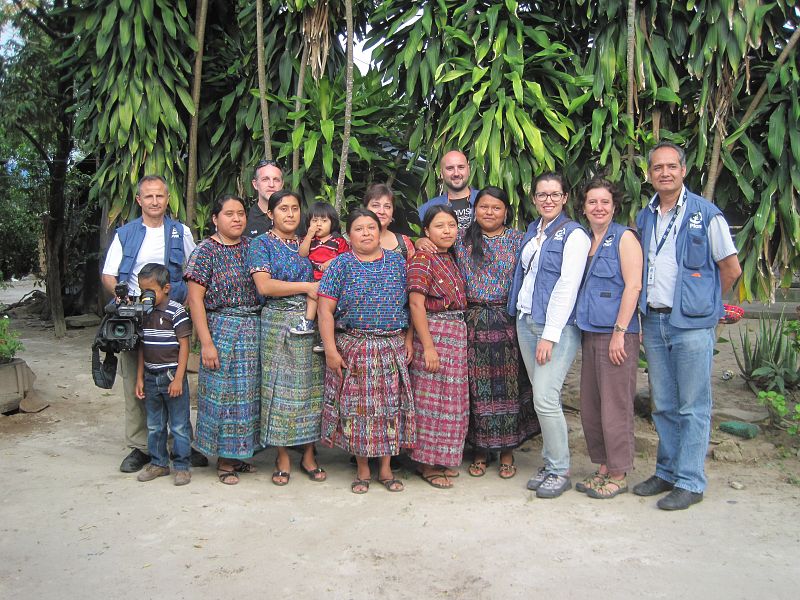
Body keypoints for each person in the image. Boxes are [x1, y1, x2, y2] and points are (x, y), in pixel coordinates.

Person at [633, 141, 741, 510]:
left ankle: (691, 481)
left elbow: (730, 268)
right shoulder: (645, 217)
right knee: (663, 403)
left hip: (692, 325)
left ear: (683, 170)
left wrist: (705, 305)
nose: (664, 172)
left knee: (693, 405)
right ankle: (667, 472)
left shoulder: (706, 214)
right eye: (657, 167)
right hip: (655, 320)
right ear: (650, 174)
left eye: (671, 166)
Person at [101, 175, 206, 473]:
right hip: (135, 316)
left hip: (171, 315)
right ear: (139, 200)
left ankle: (179, 444)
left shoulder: (180, 232)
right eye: (148, 196)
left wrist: (186, 304)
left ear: (168, 198)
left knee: (175, 379)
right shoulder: (125, 234)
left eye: (160, 196)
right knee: (136, 381)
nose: (155, 201)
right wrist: (123, 299)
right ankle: (141, 447)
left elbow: (195, 268)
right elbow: (109, 274)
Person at [318, 208, 415, 494]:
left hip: (391, 346)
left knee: (390, 409)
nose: (366, 233)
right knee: (357, 411)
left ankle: (385, 469)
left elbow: (411, 305)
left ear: (379, 231)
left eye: (371, 228)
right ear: (349, 235)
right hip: (354, 346)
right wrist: (331, 350)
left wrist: (409, 340)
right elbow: (325, 310)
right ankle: (362, 469)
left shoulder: (398, 262)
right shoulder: (340, 265)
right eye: (359, 229)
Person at [509, 173, 591, 499]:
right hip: (526, 320)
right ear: (534, 198)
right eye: (542, 194)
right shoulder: (534, 230)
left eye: (554, 194)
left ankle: (559, 469)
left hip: (555, 328)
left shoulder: (574, 235)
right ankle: (551, 461)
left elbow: (567, 286)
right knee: (544, 398)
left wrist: (551, 335)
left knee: (544, 397)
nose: (548, 200)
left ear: (565, 198)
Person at [454, 187, 540, 479]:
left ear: (506, 211)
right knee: (476, 390)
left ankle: (506, 452)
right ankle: (479, 450)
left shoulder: (519, 240)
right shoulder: (460, 238)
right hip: (471, 323)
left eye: (496, 207)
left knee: (508, 389)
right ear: (474, 210)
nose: (489, 212)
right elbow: (433, 243)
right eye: (484, 207)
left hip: (507, 323)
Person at [248, 190, 327, 485]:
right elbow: (265, 286)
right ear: (270, 214)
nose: (290, 214)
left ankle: (308, 453)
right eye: (283, 208)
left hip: (311, 321)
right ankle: (281, 455)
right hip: (277, 323)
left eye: (295, 208)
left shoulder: (310, 242)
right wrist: (306, 287)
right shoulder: (261, 244)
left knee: (310, 389)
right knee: (279, 390)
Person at [185, 195, 262, 485]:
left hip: (253, 329)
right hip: (222, 329)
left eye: (241, 213)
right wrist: (206, 343)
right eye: (229, 214)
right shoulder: (205, 251)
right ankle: (224, 461)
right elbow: (195, 300)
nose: (237, 219)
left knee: (248, 397)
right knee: (224, 396)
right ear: (215, 219)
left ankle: (240, 454)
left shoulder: (253, 248)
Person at [574, 177, 643, 499]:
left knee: (615, 406)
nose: (598, 207)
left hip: (616, 335)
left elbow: (633, 286)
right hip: (590, 332)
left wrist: (620, 332)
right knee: (592, 406)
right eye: (592, 202)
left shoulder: (624, 238)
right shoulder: (585, 239)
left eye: (605, 202)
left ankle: (618, 472)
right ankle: (603, 465)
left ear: (614, 206)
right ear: (584, 207)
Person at [407, 205, 468, 489]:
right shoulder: (423, 258)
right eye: (439, 226)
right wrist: (428, 346)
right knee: (431, 402)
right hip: (435, 333)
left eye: (451, 225)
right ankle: (427, 464)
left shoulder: (450, 256)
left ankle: (440, 458)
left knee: (450, 402)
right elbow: (416, 304)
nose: (447, 231)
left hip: (455, 335)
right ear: (426, 231)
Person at [134, 263, 193, 486]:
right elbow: (142, 346)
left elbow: (184, 346)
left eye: (150, 291)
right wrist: (140, 377)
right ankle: (159, 463)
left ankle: (182, 467)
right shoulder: (143, 312)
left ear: (166, 288)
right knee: (155, 425)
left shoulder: (176, 311)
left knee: (179, 425)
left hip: (171, 375)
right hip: (151, 376)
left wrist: (178, 378)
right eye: (142, 291)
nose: (145, 296)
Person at [292, 201, 350, 336]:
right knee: (312, 298)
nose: (318, 224)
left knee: (327, 308)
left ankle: (331, 332)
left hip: (333, 282)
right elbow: (302, 253)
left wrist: (332, 262)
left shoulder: (338, 241)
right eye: (314, 220)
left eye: (324, 221)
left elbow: (346, 258)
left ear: (332, 223)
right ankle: (308, 322)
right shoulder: (309, 240)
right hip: (314, 281)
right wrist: (309, 236)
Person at [417, 151, 479, 229]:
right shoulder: (427, 209)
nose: (456, 173)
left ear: (469, 170)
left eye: (461, 167)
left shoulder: (487, 200)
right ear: (441, 173)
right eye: (450, 168)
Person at [362, 183, 415, 260]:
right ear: (365, 209)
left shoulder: (404, 243)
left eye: (387, 206)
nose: (382, 211)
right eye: (375, 205)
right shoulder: (350, 241)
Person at [247, 159, 284, 238]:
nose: (271, 184)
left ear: (282, 184)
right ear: (255, 184)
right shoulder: (244, 219)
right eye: (265, 179)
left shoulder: (295, 218)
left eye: (276, 180)